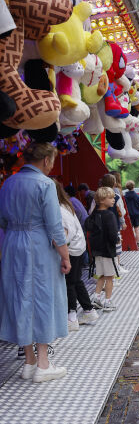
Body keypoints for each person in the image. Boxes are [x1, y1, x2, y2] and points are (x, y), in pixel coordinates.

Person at [0, 142, 70, 383]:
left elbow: (2, 221)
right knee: (42, 297)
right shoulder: (45, 184)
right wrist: (65, 255)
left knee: (19, 298)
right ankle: (43, 364)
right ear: (46, 161)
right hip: (38, 245)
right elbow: (54, 226)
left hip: (12, 243)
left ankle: (29, 362)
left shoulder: (9, 182)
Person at [54, 180, 99, 332]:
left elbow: (64, 234)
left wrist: (58, 249)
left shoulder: (58, 209)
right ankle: (88, 310)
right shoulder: (66, 205)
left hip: (72, 248)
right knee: (76, 280)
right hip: (78, 246)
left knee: (69, 283)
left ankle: (71, 317)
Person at [86, 187, 120, 312]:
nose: (113, 200)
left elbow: (88, 226)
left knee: (101, 275)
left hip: (97, 251)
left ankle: (96, 297)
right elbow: (112, 234)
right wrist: (116, 240)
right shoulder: (109, 215)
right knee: (110, 277)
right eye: (110, 198)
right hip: (108, 251)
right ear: (102, 200)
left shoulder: (94, 215)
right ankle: (108, 301)